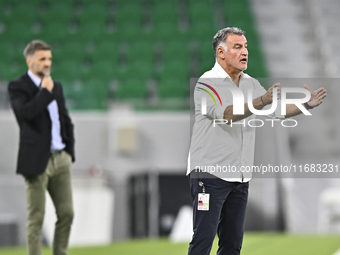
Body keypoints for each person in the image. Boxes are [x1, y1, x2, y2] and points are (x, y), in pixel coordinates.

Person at [187, 27, 327, 255]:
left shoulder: (250, 83)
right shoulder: (206, 83)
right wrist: (261, 101)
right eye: (237, 47)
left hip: (240, 178)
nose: (245, 52)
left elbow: (278, 111)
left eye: (246, 46)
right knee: (204, 238)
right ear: (221, 53)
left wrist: (306, 104)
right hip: (209, 175)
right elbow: (227, 115)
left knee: (232, 244)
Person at [8, 40, 75, 255]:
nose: (47, 64)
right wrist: (44, 93)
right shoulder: (18, 86)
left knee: (67, 213)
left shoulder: (57, 86)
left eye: (49, 59)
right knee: (36, 217)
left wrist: (69, 152)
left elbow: (65, 120)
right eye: (42, 59)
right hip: (37, 159)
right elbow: (25, 115)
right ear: (29, 61)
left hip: (60, 158)